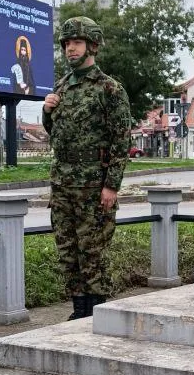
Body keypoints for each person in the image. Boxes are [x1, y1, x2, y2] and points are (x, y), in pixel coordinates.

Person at [42, 16, 132, 320]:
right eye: (67, 44)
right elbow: (56, 134)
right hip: (63, 185)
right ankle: (78, 311)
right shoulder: (62, 88)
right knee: (68, 253)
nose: (70, 49)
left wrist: (111, 186)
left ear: (92, 45)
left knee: (92, 253)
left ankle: (96, 314)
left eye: (77, 42)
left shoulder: (110, 89)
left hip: (94, 186)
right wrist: (46, 112)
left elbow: (121, 141)